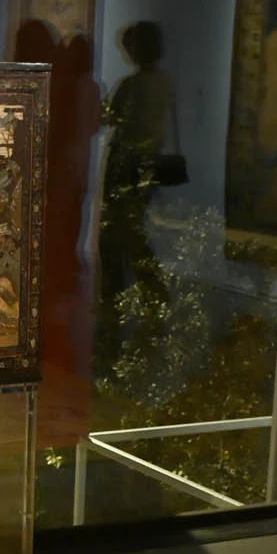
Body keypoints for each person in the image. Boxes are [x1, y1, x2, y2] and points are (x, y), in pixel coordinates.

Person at [96, 21, 175, 369]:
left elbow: (111, 117)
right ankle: (152, 294)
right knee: (134, 233)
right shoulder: (164, 82)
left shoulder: (131, 86)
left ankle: (122, 299)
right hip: (147, 167)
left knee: (116, 237)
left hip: (126, 168)